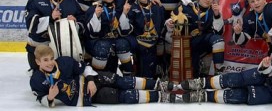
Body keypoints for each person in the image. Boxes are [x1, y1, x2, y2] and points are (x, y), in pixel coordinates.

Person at [176, 36, 272, 110]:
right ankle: (201, 83)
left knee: (242, 96)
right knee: (238, 78)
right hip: (267, 75)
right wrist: (266, 65)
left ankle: (204, 95)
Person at [30, 45, 174, 107]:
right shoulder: (36, 80)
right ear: (37, 62)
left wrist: (91, 80)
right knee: (124, 96)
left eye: (51, 58)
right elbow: (40, 98)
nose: (49, 63)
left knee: (123, 81)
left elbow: (85, 68)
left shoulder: (64, 62)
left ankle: (159, 85)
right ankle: (161, 96)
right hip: (86, 97)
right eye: (45, 60)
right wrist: (49, 97)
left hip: (92, 79)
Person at [24, 0, 85, 70]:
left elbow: (83, 19)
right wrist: (50, 18)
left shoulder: (71, 1)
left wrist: (75, 22)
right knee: (41, 78)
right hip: (41, 49)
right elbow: (31, 25)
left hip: (65, 48)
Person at [166, 0, 225, 76]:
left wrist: (217, 15)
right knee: (192, 74)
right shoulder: (186, 6)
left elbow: (218, 32)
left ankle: (218, 71)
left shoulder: (214, 11)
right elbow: (171, 18)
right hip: (186, 42)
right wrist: (169, 23)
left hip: (203, 40)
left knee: (219, 40)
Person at [84, 0, 134, 75]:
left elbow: (125, 32)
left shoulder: (121, 7)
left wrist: (124, 13)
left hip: (115, 39)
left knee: (123, 43)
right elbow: (92, 34)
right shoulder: (94, 8)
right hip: (98, 42)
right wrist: (96, 16)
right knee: (103, 46)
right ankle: (97, 77)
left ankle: (128, 76)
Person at [128, 0, 166, 78]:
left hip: (154, 40)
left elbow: (162, 23)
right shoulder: (132, 8)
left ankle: (157, 74)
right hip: (140, 42)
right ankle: (144, 79)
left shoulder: (157, 6)